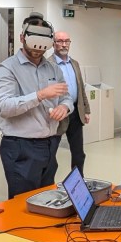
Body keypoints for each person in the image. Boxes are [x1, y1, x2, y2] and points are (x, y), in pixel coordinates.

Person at [0, 14, 74, 199]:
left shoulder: (53, 68)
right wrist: (40, 95)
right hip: (21, 146)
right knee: (24, 201)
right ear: (22, 38)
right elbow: (4, 107)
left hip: (50, 143)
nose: (37, 51)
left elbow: (66, 97)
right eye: (34, 44)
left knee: (45, 198)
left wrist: (64, 108)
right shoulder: (6, 69)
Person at [52, 31, 91, 175]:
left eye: (67, 41)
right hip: (56, 114)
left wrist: (86, 110)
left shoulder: (75, 63)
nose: (64, 44)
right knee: (50, 154)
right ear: (53, 43)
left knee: (78, 154)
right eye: (60, 41)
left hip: (75, 112)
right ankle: (47, 184)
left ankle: (78, 183)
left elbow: (81, 89)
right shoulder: (48, 64)